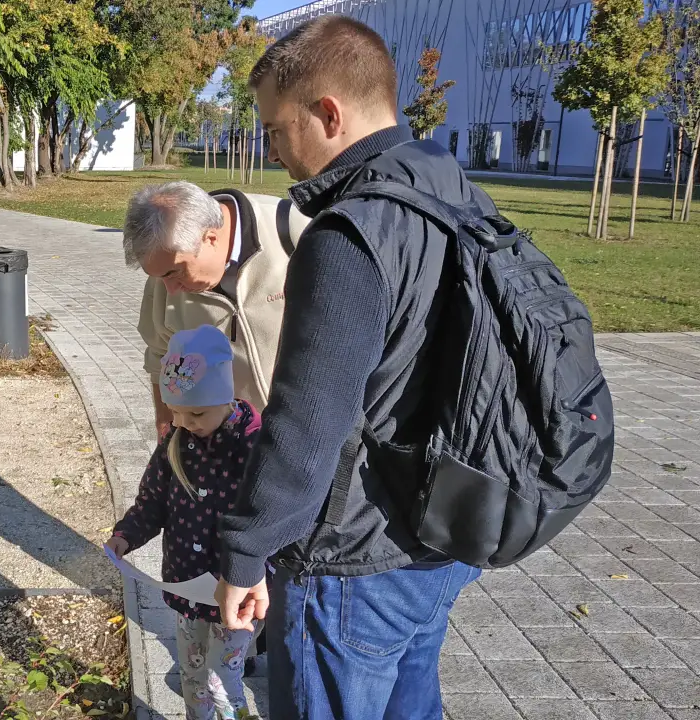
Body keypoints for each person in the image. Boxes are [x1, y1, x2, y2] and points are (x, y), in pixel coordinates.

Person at [212, 15, 490, 720]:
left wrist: (245, 555)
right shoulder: (454, 189)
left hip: (353, 561)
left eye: (275, 129)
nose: (271, 149)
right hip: (445, 530)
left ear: (328, 114)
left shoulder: (349, 233)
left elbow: (307, 423)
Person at [105, 325, 262, 720]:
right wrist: (127, 535)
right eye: (176, 412)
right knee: (192, 673)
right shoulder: (175, 444)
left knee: (221, 680)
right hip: (188, 588)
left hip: (235, 593)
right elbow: (152, 502)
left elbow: (267, 518)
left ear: (224, 397)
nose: (185, 422)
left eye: (196, 412)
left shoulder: (252, 448)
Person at [125, 181, 310, 442]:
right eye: (158, 277)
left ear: (211, 238)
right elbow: (159, 353)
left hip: (308, 435)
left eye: (174, 272)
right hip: (228, 447)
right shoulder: (167, 268)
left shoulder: (296, 230)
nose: (171, 289)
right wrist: (167, 424)